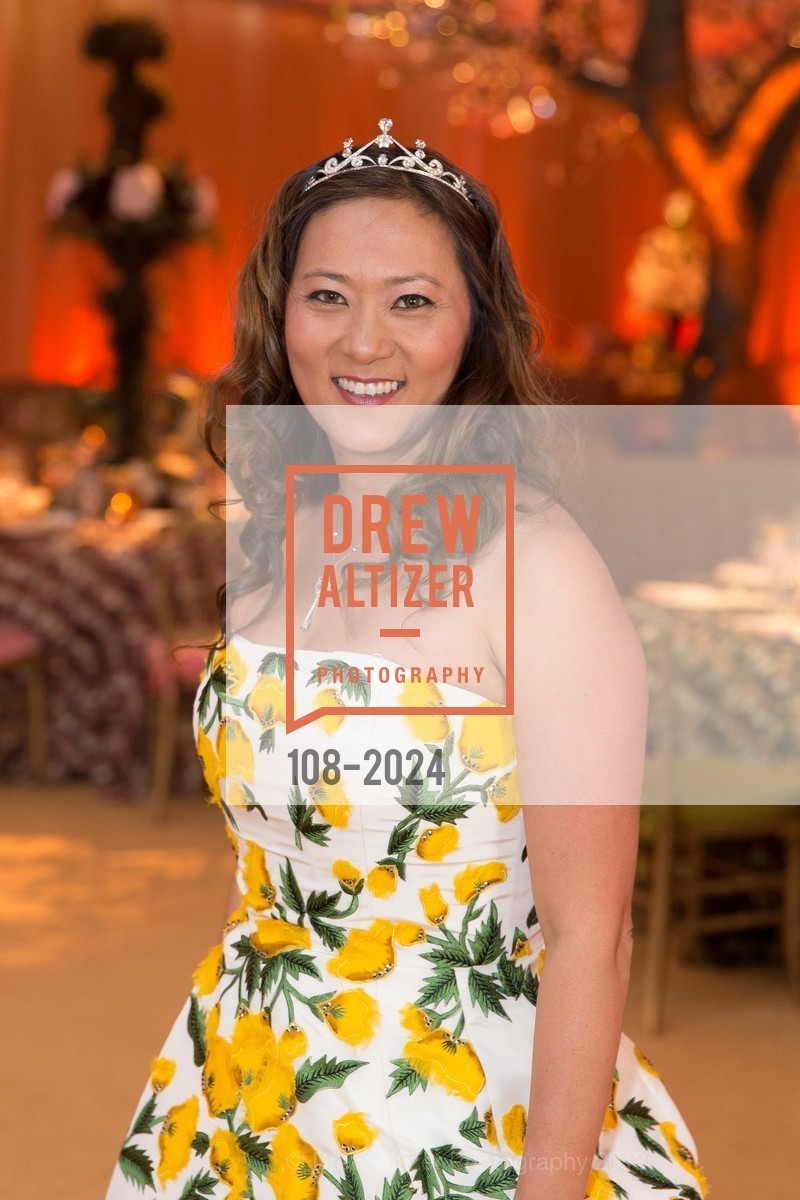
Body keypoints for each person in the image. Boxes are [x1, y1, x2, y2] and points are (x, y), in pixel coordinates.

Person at [104, 119, 710, 1200]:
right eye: (327, 295)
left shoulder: (536, 568)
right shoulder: (273, 535)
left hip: (467, 1119)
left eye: (412, 301)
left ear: (473, 331)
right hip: (247, 1089)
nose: (362, 343)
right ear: (278, 312)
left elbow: (590, 938)